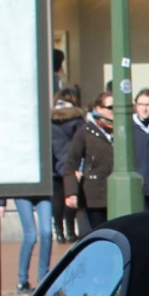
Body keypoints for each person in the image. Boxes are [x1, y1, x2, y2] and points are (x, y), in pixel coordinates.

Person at [63, 91, 115, 231]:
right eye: (110, 108)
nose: (114, 111)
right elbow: (71, 163)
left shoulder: (124, 130)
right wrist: (71, 192)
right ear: (98, 108)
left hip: (118, 194)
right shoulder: (85, 131)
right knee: (100, 234)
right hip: (95, 195)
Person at [51, 90, 83, 242]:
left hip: (53, 165)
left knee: (57, 199)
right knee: (71, 197)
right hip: (72, 163)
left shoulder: (50, 120)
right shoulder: (77, 119)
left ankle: (58, 231)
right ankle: (70, 230)